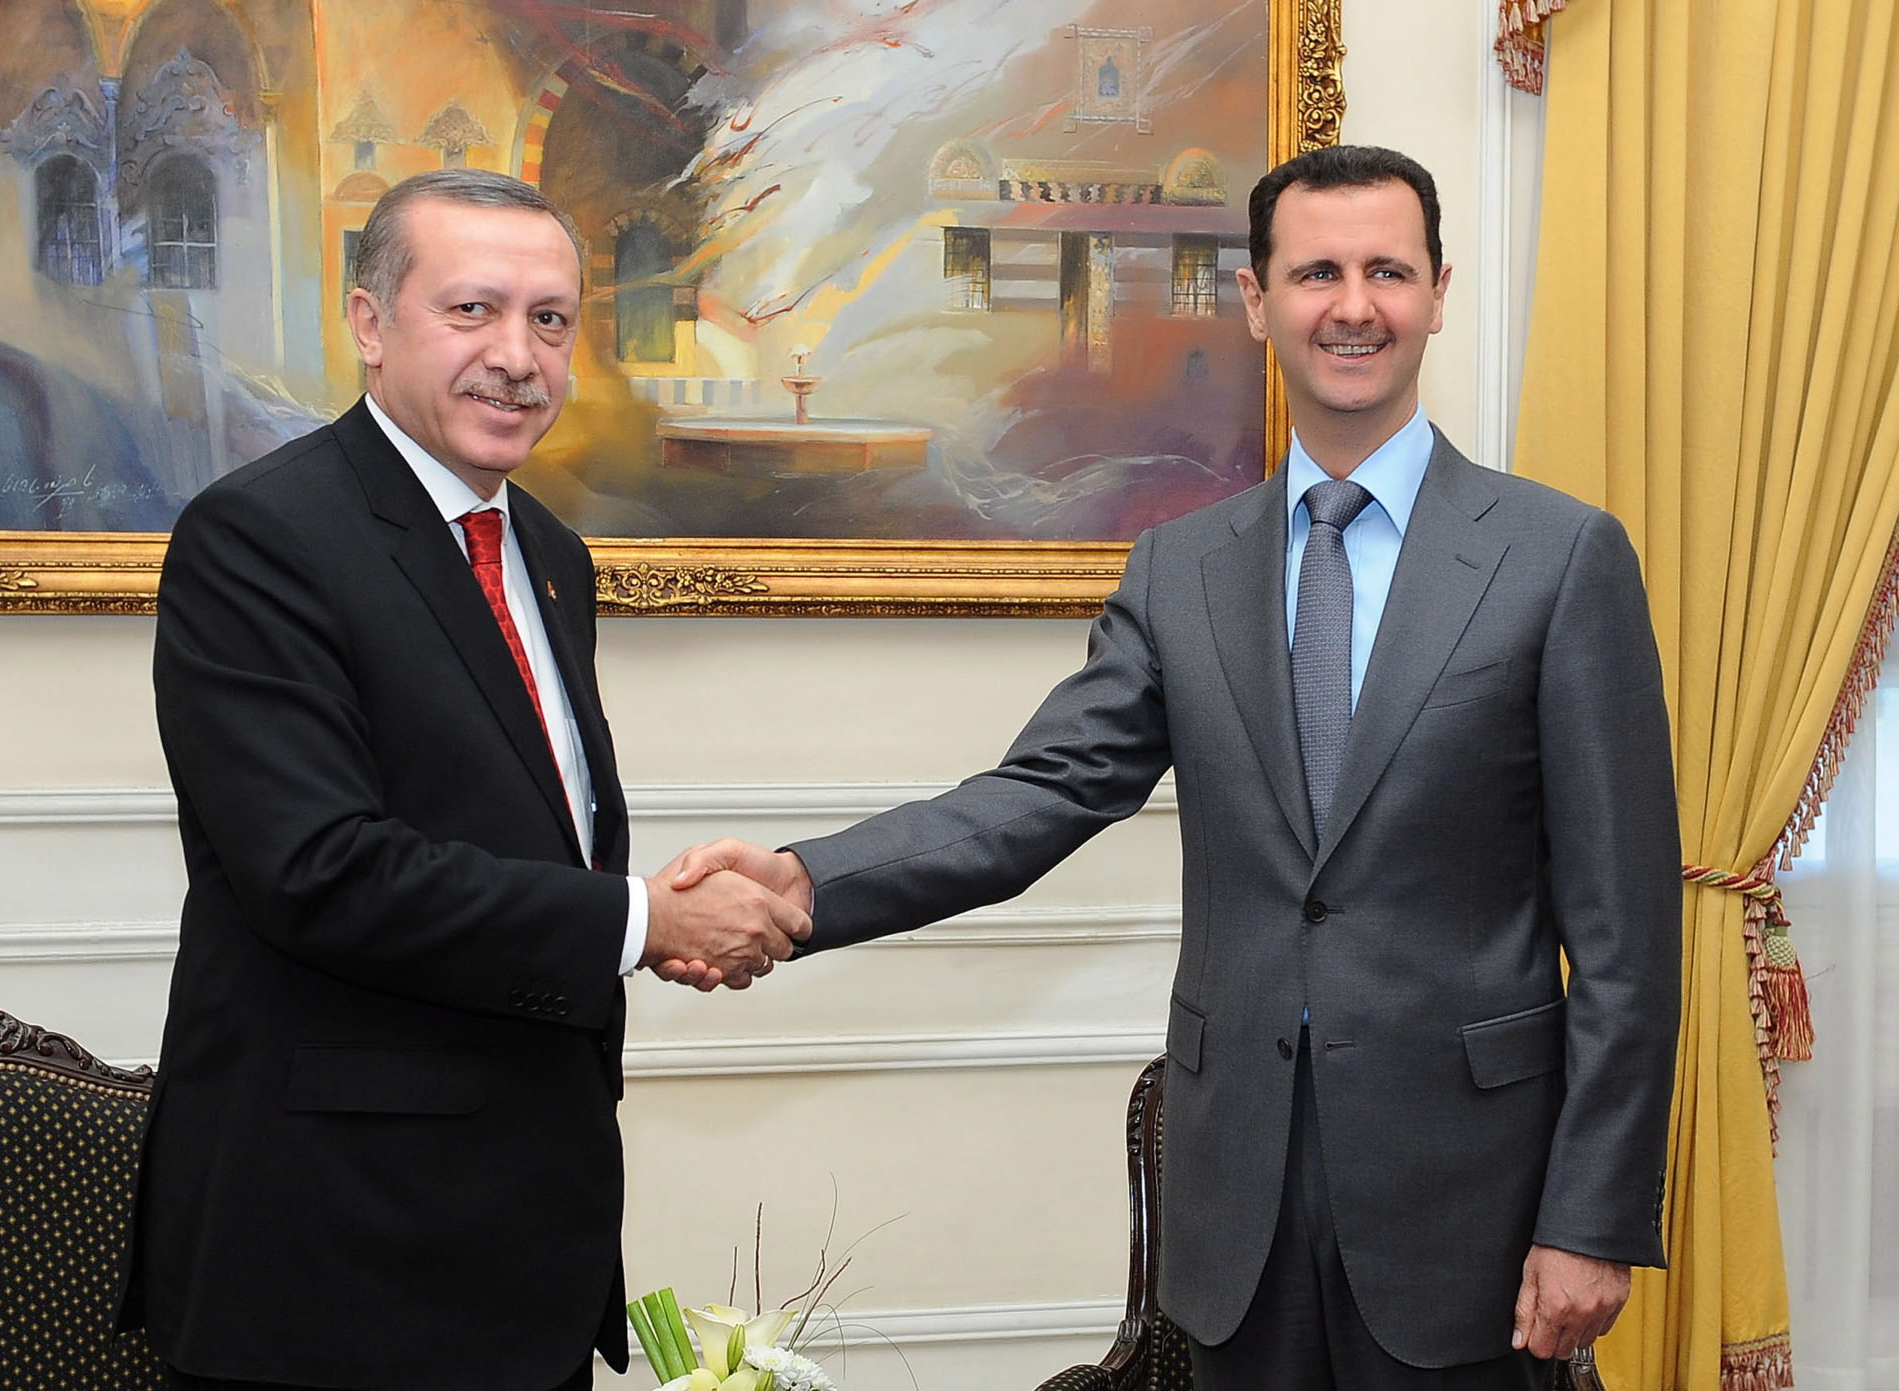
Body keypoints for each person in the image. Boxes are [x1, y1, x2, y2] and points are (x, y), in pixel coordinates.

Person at [666, 146, 1682, 1390]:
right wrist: (799, 881)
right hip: (1230, 1208)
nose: (1350, 304)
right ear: (1256, 302)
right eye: (1314, 271)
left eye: (1385, 271)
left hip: (1469, 1207)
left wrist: (1591, 1214)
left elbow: (1626, 936)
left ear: (1435, 291)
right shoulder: (1179, 568)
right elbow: (1039, 790)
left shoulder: (1558, 556)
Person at [120, 169, 810, 1391]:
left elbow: (530, 849)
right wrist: (645, 918)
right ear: (370, 324)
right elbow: (321, 870)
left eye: (549, 319)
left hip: (521, 1260)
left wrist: (640, 920)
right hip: (335, 1273)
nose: (518, 356)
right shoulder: (261, 538)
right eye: (472, 310)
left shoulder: (546, 552)